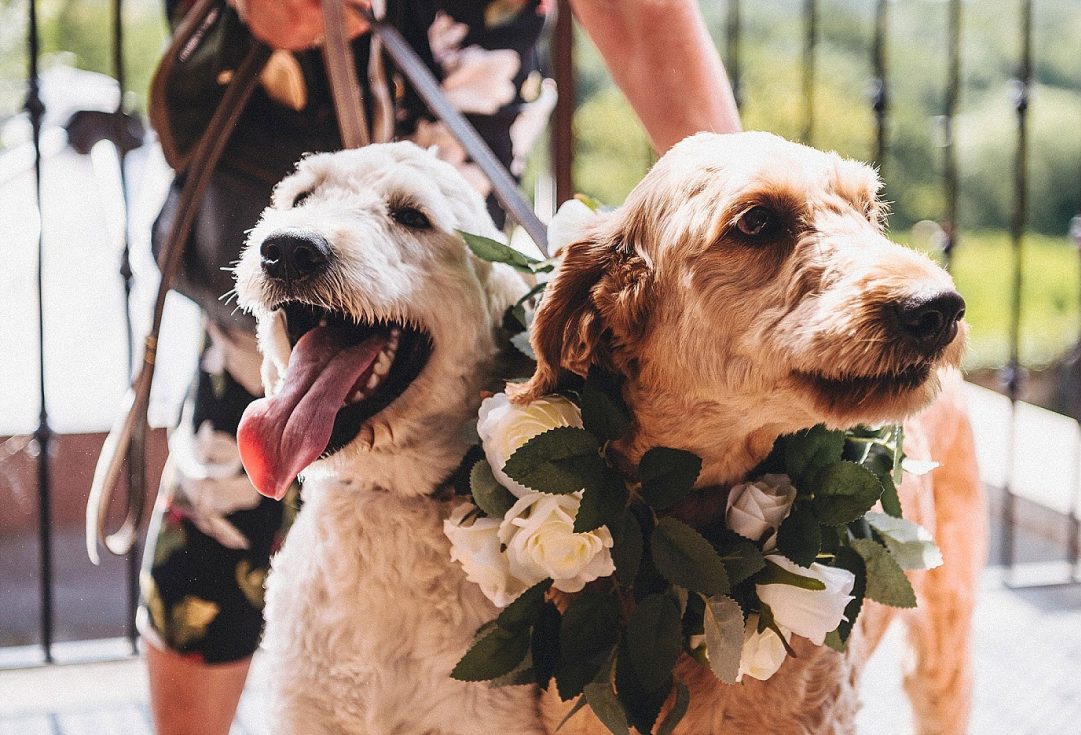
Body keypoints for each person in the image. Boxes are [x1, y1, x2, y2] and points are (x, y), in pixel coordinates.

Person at [138, 1, 741, 733]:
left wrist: (744, 223)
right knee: (211, 517)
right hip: (278, 108)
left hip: (461, 130)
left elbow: (643, 19)